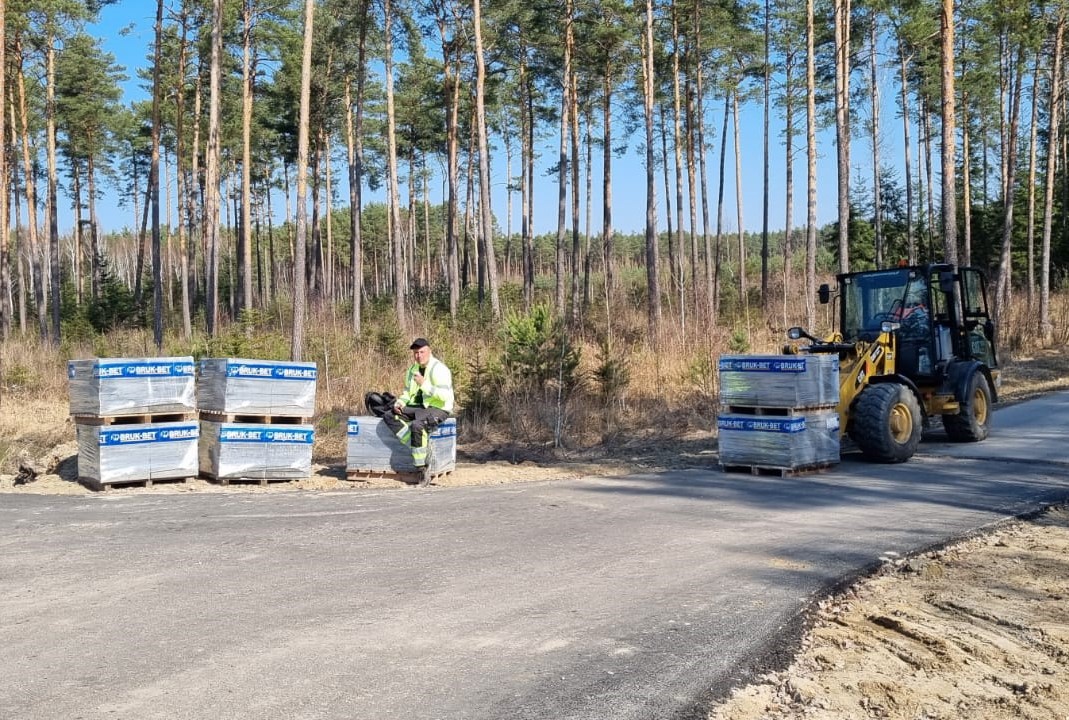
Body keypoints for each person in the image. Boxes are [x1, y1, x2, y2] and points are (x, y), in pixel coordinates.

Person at [382, 337, 454, 484]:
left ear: (429, 351)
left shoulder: (439, 369)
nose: (418, 356)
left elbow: (445, 396)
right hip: (419, 407)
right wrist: (400, 403)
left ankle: (421, 469)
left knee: (417, 425)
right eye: (416, 353)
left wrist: (424, 384)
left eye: (422, 352)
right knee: (389, 415)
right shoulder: (412, 369)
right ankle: (417, 444)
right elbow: (407, 392)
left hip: (439, 408)